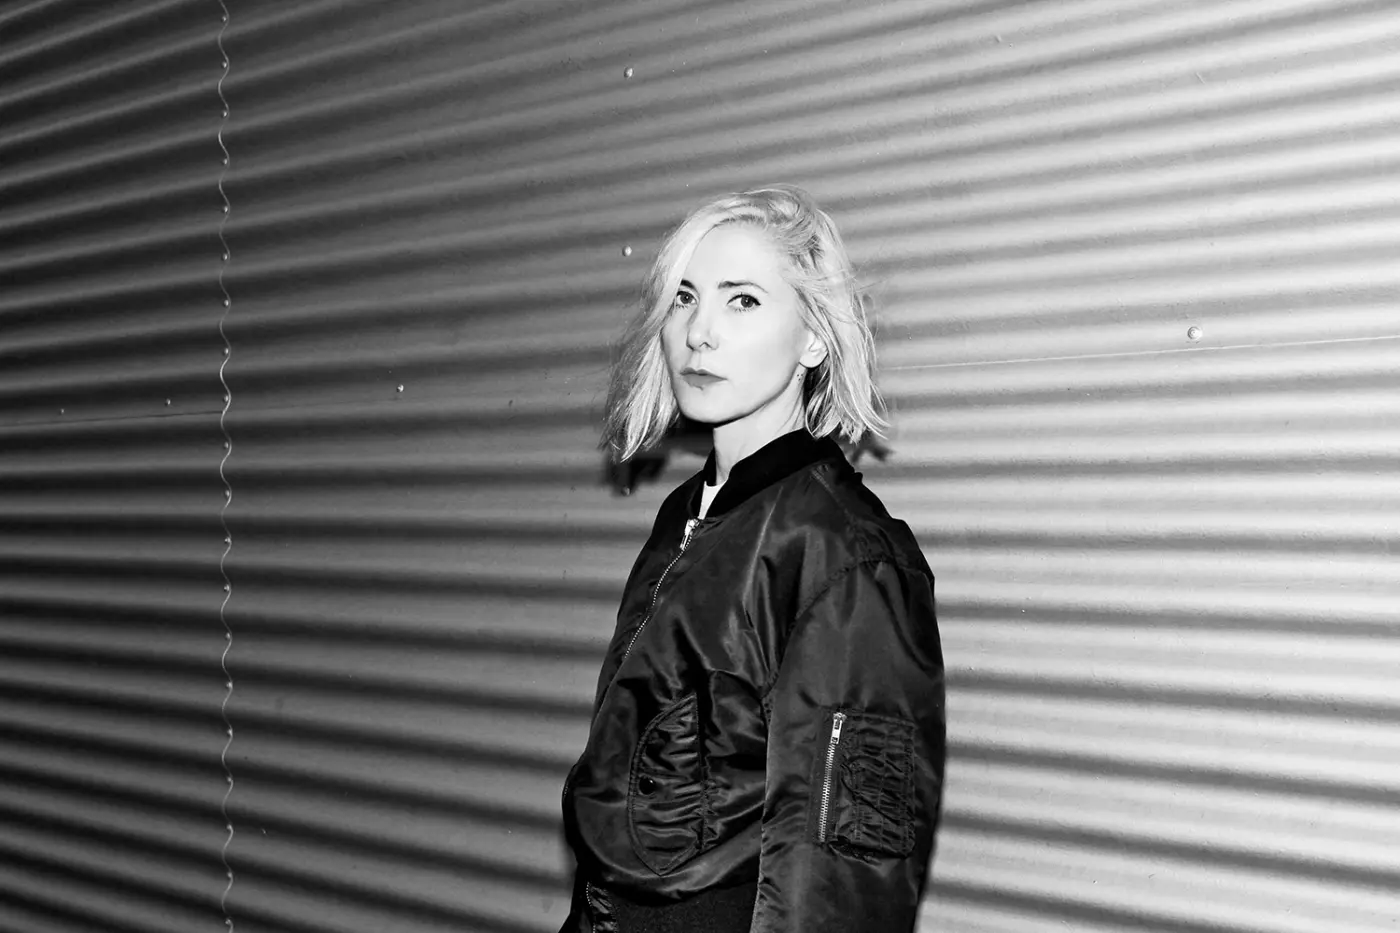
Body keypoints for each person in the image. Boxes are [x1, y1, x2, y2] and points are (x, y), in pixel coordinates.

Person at [560, 185, 945, 933]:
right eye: (685, 298)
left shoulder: (846, 553)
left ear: (813, 338)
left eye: (742, 301)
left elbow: (846, 877)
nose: (699, 333)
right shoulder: (687, 513)